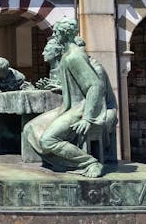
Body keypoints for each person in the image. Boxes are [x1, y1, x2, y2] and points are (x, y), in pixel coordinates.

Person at [22, 18, 105, 178]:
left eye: (57, 32)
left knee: (48, 140)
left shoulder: (74, 56)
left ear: (63, 33)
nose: (55, 35)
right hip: (68, 106)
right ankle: (59, 161)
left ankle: (90, 163)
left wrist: (87, 118)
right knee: (30, 128)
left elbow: (95, 86)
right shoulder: (68, 55)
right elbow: (80, 83)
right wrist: (63, 87)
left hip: (79, 109)